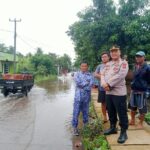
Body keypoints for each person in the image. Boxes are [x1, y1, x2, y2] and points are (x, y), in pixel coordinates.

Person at [101, 46, 129, 144]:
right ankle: (113, 127)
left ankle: (124, 132)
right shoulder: (108, 64)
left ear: (119, 52)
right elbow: (102, 75)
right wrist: (104, 84)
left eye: (115, 51)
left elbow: (120, 75)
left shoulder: (123, 63)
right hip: (108, 92)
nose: (113, 53)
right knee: (111, 111)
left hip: (119, 93)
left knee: (122, 113)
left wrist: (108, 84)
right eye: (112, 52)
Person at [129, 51, 150, 128]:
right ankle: (132, 120)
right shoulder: (135, 66)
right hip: (134, 90)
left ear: (144, 57)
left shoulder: (148, 68)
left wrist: (148, 91)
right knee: (132, 107)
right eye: (137, 56)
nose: (138, 58)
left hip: (142, 91)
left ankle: (141, 123)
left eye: (140, 56)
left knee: (142, 108)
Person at [72, 61, 94, 136]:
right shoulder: (76, 74)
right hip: (78, 97)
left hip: (86, 97)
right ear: (80, 67)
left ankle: (86, 127)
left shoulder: (90, 75)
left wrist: (84, 84)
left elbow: (91, 84)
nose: (84, 67)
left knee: (86, 112)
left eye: (85, 66)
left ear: (87, 67)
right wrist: (86, 83)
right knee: (76, 112)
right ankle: (75, 128)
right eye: (82, 66)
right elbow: (78, 83)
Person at [94, 52, 110, 123]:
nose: (104, 58)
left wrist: (101, 75)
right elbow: (95, 74)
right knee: (103, 103)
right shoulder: (99, 66)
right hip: (102, 88)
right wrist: (103, 76)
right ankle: (104, 117)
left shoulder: (112, 65)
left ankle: (112, 117)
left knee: (111, 103)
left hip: (111, 88)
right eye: (102, 57)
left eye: (105, 56)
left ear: (108, 57)